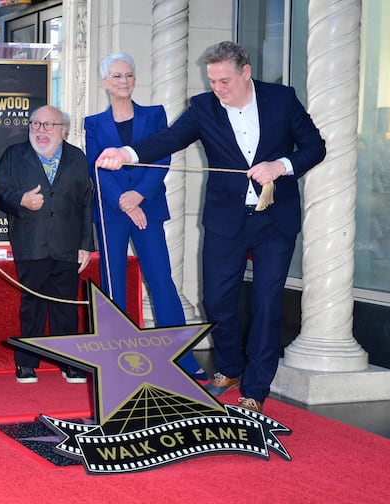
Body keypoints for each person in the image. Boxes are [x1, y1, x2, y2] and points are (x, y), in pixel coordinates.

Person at [96, 41, 326, 412]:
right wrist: (127, 155)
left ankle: (255, 389)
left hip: (274, 221)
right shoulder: (204, 108)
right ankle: (231, 367)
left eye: (224, 81)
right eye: (213, 81)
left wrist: (280, 166)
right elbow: (167, 139)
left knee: (267, 303)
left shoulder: (282, 100)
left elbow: (315, 147)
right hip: (225, 220)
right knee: (217, 302)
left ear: (245, 72)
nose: (218, 88)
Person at [84, 53, 203, 376]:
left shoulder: (154, 115)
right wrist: (123, 201)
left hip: (147, 207)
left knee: (161, 280)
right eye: (117, 76)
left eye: (129, 75)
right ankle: (114, 356)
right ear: (105, 82)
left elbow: (162, 157)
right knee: (114, 285)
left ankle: (180, 356)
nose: (125, 81)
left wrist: (138, 196)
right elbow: (95, 165)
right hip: (111, 212)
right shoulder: (93, 123)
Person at [0, 105, 93, 384]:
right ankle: (26, 363)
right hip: (30, 242)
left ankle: (69, 362)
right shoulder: (14, 155)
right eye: (36, 124)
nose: (40, 130)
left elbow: (86, 203)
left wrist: (85, 244)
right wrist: (20, 200)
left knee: (65, 306)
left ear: (64, 130)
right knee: (32, 305)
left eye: (48, 125)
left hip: (67, 244)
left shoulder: (77, 158)